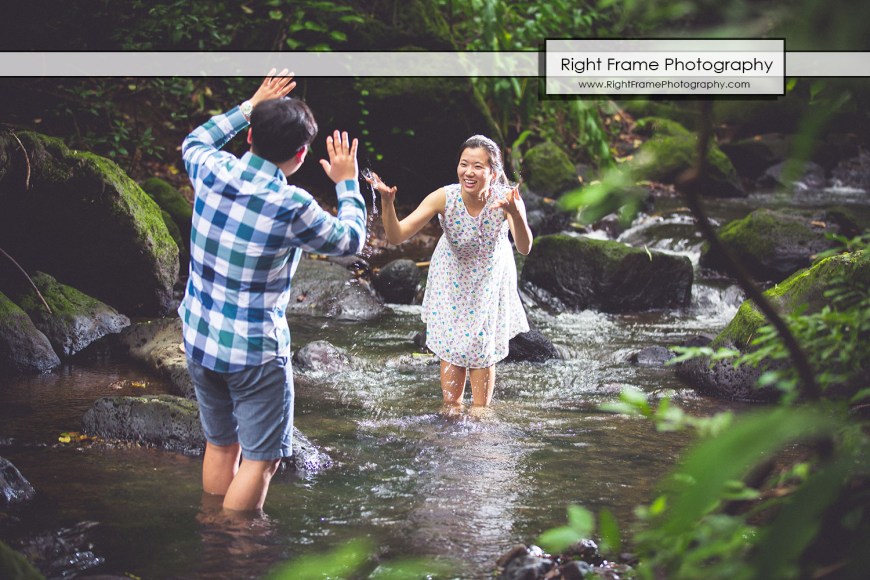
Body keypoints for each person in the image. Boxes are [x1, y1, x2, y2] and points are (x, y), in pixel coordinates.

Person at [179, 69, 366, 511]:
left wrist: (249, 107)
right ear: (301, 155)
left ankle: (213, 540)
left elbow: (194, 141)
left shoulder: (211, 169)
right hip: (254, 354)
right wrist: (347, 183)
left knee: (221, 446)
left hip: (200, 339)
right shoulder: (292, 205)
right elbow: (351, 242)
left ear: (250, 139)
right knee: (262, 461)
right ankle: (235, 552)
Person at [367, 135, 532, 408]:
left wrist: (515, 214)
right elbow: (396, 236)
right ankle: (452, 414)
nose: (469, 172)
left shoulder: (507, 199)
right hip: (451, 275)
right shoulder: (444, 197)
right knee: (453, 347)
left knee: (482, 346)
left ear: (493, 172)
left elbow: (525, 247)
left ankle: (481, 415)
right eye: (464, 164)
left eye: (478, 166)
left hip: (491, 276)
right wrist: (387, 203)